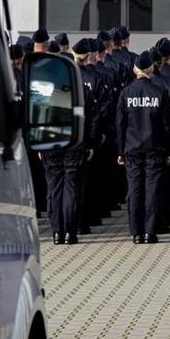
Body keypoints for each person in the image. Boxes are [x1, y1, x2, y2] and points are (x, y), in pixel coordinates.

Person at [42, 38, 101, 245]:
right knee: (71, 189)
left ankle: (57, 232)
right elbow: (93, 118)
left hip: (52, 142)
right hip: (75, 144)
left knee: (54, 188)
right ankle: (70, 232)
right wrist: (91, 143)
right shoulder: (82, 91)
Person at [116, 51, 170, 244]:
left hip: (132, 148)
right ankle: (150, 231)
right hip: (154, 148)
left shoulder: (126, 93)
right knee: (152, 190)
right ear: (151, 68)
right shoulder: (159, 92)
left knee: (134, 190)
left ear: (134, 70)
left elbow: (120, 124)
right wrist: (168, 150)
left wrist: (120, 151)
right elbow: (166, 125)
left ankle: (136, 232)